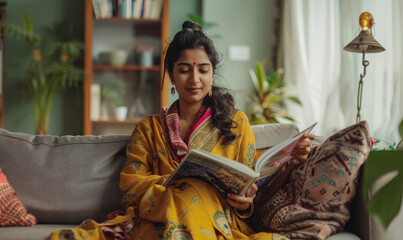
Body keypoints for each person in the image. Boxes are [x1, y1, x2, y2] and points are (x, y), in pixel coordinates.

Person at [50, 20, 314, 240]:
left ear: (212, 75)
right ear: (172, 75)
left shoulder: (237, 123)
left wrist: (248, 199)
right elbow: (130, 188)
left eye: (203, 69)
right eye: (184, 70)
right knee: (182, 194)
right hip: (162, 215)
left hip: (217, 222)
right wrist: (176, 183)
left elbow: (250, 190)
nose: (194, 79)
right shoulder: (148, 129)